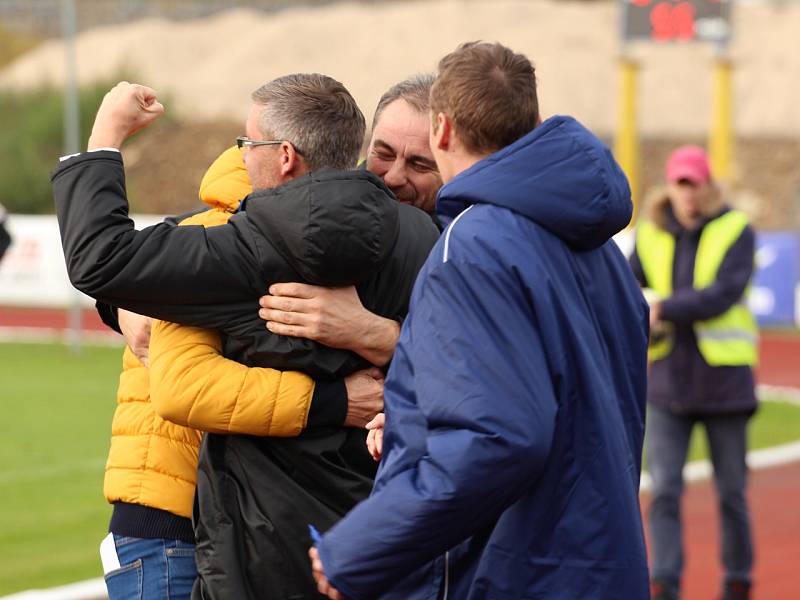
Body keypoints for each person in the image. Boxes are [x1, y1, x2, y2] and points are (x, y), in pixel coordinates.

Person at [52, 74, 440, 599]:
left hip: (237, 541)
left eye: (419, 164)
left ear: (283, 156)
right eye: (384, 153)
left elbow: (116, 278)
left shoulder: (246, 245)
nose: (393, 177)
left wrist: (105, 137)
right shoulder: (432, 243)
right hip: (352, 539)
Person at [308, 41, 650, 600]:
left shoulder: (472, 243)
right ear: (532, 123)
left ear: (441, 130)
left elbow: (496, 436)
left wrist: (359, 551)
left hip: (517, 569)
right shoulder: (598, 248)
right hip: (595, 559)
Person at [95, 147, 383, 600]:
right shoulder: (219, 237)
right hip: (171, 526)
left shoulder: (221, 235)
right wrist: (337, 401)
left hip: (210, 517)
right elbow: (187, 389)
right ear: (289, 160)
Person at [630, 145, 757, 600]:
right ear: (669, 185)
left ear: (707, 185)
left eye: (693, 182)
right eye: (679, 182)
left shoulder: (735, 229)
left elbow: (723, 294)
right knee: (663, 490)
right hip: (667, 383)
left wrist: (661, 306)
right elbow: (630, 292)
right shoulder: (648, 233)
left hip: (725, 385)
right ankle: (665, 581)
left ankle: (738, 580)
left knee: (731, 495)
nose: (686, 191)